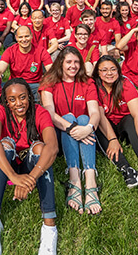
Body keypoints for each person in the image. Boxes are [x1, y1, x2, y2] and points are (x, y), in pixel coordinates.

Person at [0, 78, 59, 255]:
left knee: (42, 148)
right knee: (3, 145)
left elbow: (53, 147)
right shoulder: (0, 111)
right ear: (6, 101)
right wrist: (13, 177)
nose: (19, 103)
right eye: (13, 99)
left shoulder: (39, 112)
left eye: (23, 97)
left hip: (31, 166)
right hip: (8, 166)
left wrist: (30, 178)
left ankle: (49, 226)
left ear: (30, 97)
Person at [40, 47, 102, 215]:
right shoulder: (49, 81)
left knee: (84, 118)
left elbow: (95, 113)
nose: (73, 66)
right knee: (68, 116)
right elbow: (49, 112)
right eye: (68, 62)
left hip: (84, 130)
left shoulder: (87, 82)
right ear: (61, 63)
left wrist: (88, 128)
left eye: (76, 62)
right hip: (60, 131)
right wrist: (73, 128)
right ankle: (75, 180)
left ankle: (90, 182)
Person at [93, 56, 138, 192]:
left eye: (113, 69)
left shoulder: (125, 84)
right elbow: (100, 117)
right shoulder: (94, 86)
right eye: (104, 70)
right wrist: (112, 139)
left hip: (124, 125)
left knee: (130, 120)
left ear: (118, 70)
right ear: (98, 72)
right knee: (96, 126)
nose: (109, 73)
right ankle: (126, 168)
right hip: (106, 125)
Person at [0, 25, 53, 100]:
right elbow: (0, 68)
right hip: (16, 84)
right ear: (16, 38)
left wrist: (46, 82)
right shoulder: (10, 51)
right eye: (20, 37)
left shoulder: (41, 51)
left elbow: (51, 70)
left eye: (26, 36)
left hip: (35, 85)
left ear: (31, 36)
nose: (24, 40)